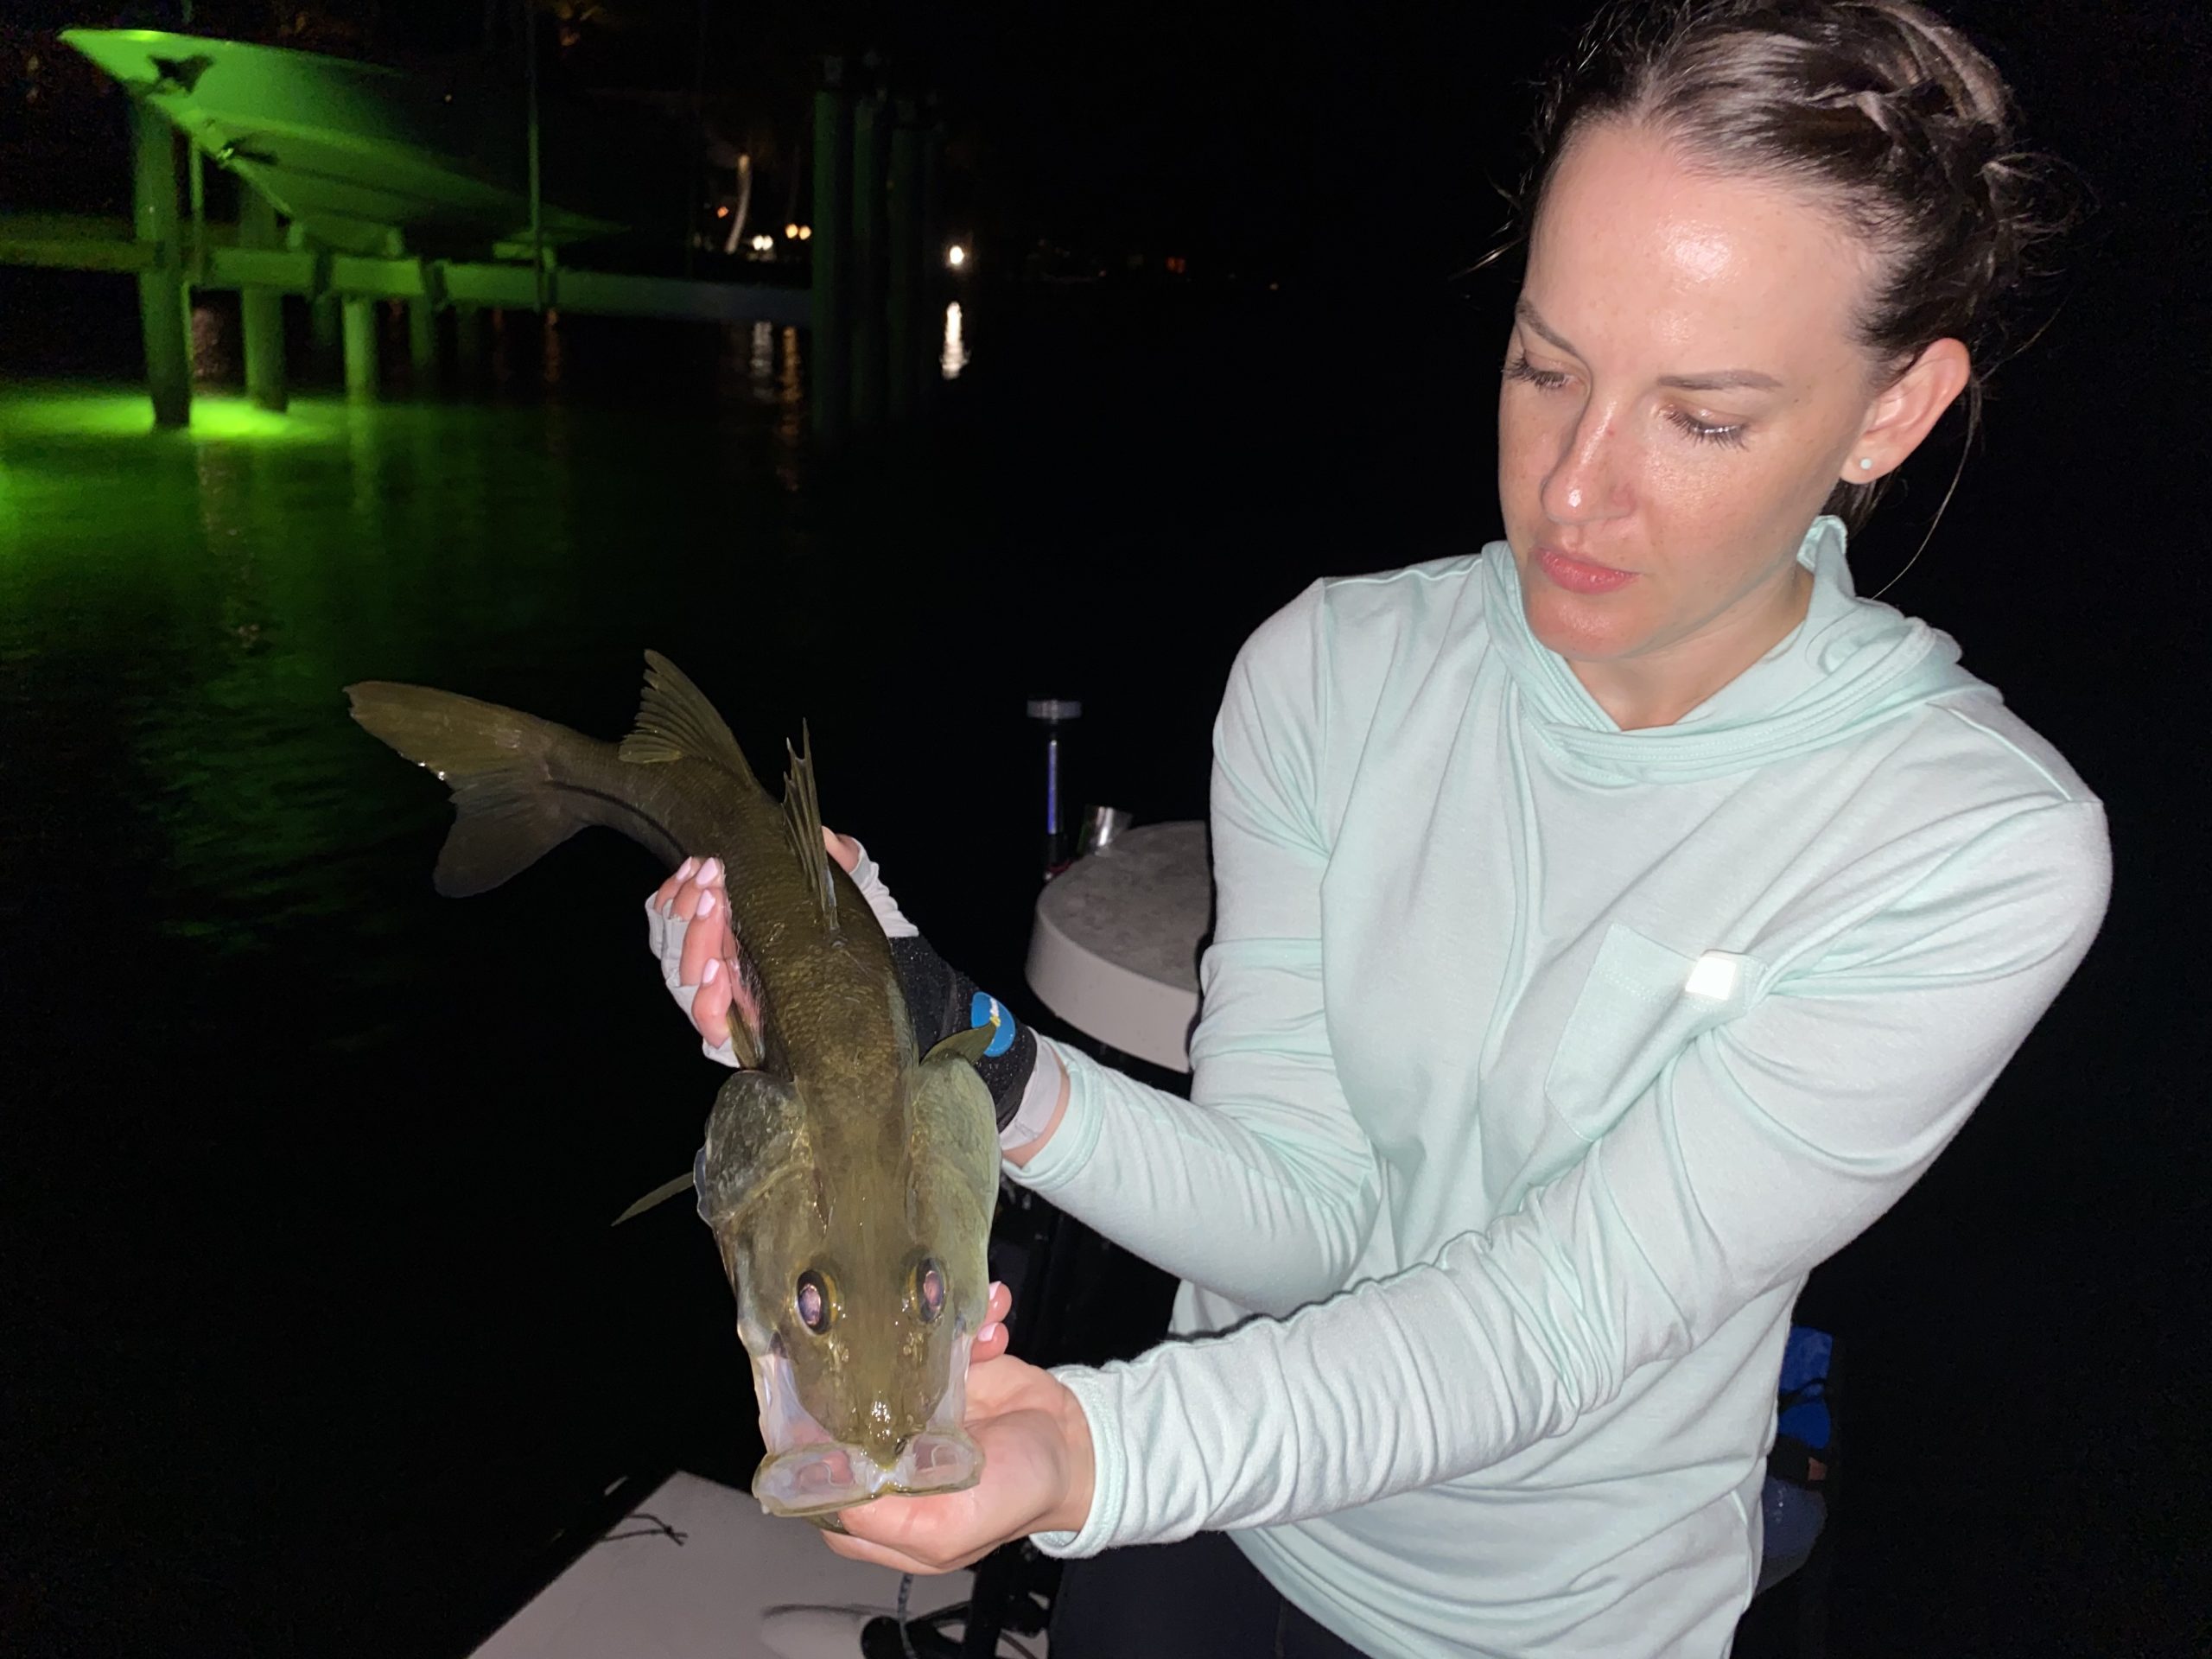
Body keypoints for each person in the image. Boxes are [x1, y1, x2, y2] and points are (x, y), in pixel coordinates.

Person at [647, 2, 2108, 1651]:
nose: (1572, 490)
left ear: (1892, 411)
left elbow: (1556, 1322)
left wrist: (1095, 1447)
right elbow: (1309, 1212)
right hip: (1203, 1535)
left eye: (1702, 419)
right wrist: (952, 1040)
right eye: (1545, 367)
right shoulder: (1332, 670)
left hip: (1551, 1622)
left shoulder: (1970, 848)